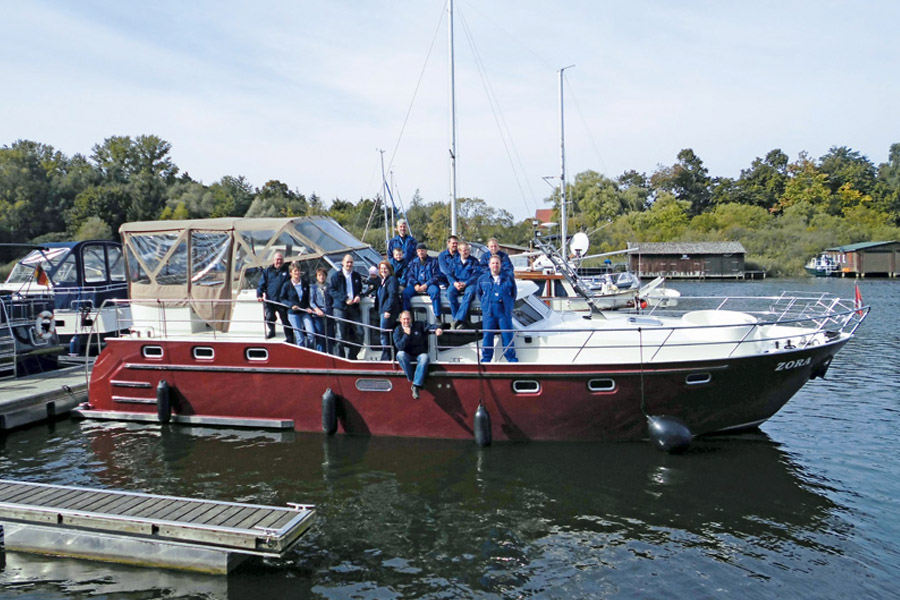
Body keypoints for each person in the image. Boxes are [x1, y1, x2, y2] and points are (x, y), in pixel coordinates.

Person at [392, 310, 443, 399]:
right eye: (404, 319)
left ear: (411, 319)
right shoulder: (397, 330)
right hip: (407, 355)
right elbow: (400, 347)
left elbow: (430, 326)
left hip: (419, 354)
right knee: (400, 355)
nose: (406, 321)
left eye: (408, 319)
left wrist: (438, 329)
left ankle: (416, 385)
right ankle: (413, 380)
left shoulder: (418, 325)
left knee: (425, 357)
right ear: (400, 320)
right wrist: (406, 335)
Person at [477, 255, 518, 363]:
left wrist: (508, 305)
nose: (495, 265)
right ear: (489, 265)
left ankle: (511, 359)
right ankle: (486, 359)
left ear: (500, 265)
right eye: (493, 263)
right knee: (487, 337)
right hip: (489, 312)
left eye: (497, 263)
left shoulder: (508, 278)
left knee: (507, 336)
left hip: (504, 312)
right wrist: (486, 304)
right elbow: (479, 293)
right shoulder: (483, 279)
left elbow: (514, 294)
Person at [328, 254, 365, 360]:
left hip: (353, 307)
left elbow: (361, 291)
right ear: (343, 263)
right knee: (340, 335)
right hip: (340, 307)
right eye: (347, 262)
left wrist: (359, 296)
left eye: (351, 262)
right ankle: (340, 358)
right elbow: (332, 290)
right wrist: (344, 299)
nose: (349, 264)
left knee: (360, 333)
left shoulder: (357, 276)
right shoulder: (336, 276)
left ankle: (352, 356)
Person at [257, 251, 294, 343]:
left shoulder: (287, 270)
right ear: (273, 260)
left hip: (282, 300)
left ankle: (290, 337)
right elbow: (261, 283)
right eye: (277, 259)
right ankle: (272, 331)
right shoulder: (267, 271)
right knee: (269, 317)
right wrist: (259, 294)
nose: (279, 261)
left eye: (281, 259)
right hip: (270, 299)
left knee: (285, 320)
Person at [402, 243, 443, 320]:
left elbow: (437, 276)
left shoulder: (434, 262)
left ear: (426, 251)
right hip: (417, 285)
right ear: (417, 252)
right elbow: (410, 276)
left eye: (422, 250)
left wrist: (426, 285)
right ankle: (408, 315)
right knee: (405, 293)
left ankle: (437, 316)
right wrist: (416, 284)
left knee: (435, 292)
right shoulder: (413, 263)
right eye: (419, 251)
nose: (421, 252)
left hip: (429, 284)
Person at [448, 241, 483, 329]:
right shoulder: (454, 261)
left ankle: (458, 320)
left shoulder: (474, 261)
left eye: (467, 250)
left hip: (470, 283)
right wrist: (455, 283)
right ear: (459, 251)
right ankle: (456, 318)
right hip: (457, 283)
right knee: (449, 293)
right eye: (464, 250)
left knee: (469, 294)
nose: (466, 252)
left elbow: (476, 275)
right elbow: (449, 275)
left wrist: (465, 283)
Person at [281, 262, 314, 348]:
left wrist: (309, 307)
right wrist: (291, 305)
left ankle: (310, 351)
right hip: (293, 313)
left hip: (304, 311)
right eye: (295, 271)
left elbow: (308, 298)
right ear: (291, 273)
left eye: (298, 271)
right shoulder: (287, 285)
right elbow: (282, 299)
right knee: (300, 337)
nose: (297, 273)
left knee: (311, 334)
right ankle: (302, 354)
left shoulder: (305, 283)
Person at [375, 260, 401, 360]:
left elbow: (392, 295)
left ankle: (386, 356)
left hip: (387, 312)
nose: (383, 270)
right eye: (381, 269)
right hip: (381, 310)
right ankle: (387, 354)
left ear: (389, 269)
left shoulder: (392, 280)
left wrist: (388, 310)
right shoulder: (382, 281)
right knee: (384, 333)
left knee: (384, 333)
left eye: (385, 268)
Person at [308, 266, 332, 353]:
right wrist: (317, 309)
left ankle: (330, 354)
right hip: (318, 314)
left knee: (329, 336)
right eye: (319, 275)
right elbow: (312, 302)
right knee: (320, 336)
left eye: (323, 275)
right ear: (317, 276)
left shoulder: (329, 286)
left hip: (328, 314)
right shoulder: (313, 287)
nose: (321, 277)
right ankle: (320, 353)